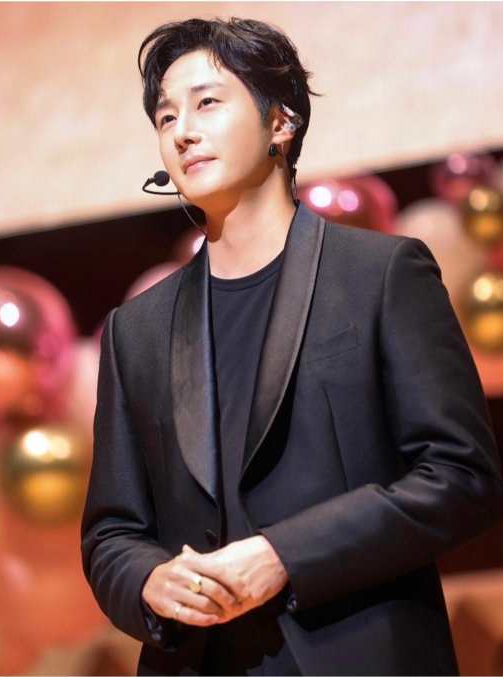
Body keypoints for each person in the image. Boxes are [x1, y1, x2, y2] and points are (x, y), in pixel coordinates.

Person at [80, 16, 503, 676]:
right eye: (165, 117)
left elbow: (460, 475)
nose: (182, 131)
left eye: (207, 103)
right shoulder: (135, 330)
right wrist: (148, 581)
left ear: (281, 122)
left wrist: (284, 555)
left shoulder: (379, 275)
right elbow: (111, 531)